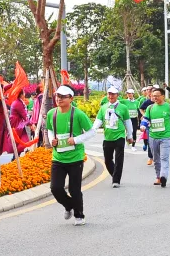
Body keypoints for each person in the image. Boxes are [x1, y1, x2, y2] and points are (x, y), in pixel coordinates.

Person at [46, 85, 96, 225]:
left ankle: (79, 215)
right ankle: (69, 206)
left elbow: (91, 132)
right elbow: (50, 130)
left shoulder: (78, 114)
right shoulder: (51, 114)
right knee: (55, 188)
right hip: (58, 157)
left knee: (74, 190)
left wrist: (76, 139)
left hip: (75, 158)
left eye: (63, 97)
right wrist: (52, 140)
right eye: (58, 96)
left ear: (71, 98)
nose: (59, 99)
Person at [140, 88, 170, 188]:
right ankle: (158, 177)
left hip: (165, 137)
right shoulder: (150, 108)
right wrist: (143, 126)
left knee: (164, 158)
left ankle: (164, 176)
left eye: (157, 96)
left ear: (163, 96)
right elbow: (145, 119)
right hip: (153, 137)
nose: (155, 98)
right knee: (156, 159)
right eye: (153, 96)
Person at [92, 87, 133, 188]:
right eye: (109, 94)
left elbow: (127, 122)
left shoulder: (123, 107)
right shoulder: (103, 108)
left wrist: (129, 135)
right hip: (107, 137)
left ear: (117, 95)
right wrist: (92, 130)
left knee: (119, 159)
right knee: (107, 160)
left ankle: (116, 180)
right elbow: (98, 121)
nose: (111, 96)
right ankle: (115, 175)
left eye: (113, 94)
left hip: (119, 136)